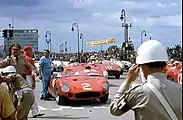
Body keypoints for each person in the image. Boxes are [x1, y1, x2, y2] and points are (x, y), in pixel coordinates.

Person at [110, 40, 182, 120]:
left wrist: (128, 81)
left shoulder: (138, 92)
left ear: (141, 66)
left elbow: (114, 109)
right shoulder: (180, 89)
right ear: (165, 65)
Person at [0, 43, 36, 108]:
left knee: (23, 100)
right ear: (11, 50)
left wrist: (33, 71)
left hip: (21, 82)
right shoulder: (9, 59)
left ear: (19, 50)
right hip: (12, 83)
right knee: (12, 101)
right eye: (13, 49)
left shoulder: (23, 59)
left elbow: (30, 67)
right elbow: (2, 64)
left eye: (16, 49)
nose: (15, 51)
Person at [23, 46, 45, 118]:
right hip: (28, 77)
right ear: (27, 51)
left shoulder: (21, 58)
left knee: (21, 96)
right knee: (32, 95)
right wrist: (34, 81)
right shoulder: (29, 59)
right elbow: (32, 71)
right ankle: (35, 112)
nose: (32, 52)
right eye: (31, 50)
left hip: (21, 78)